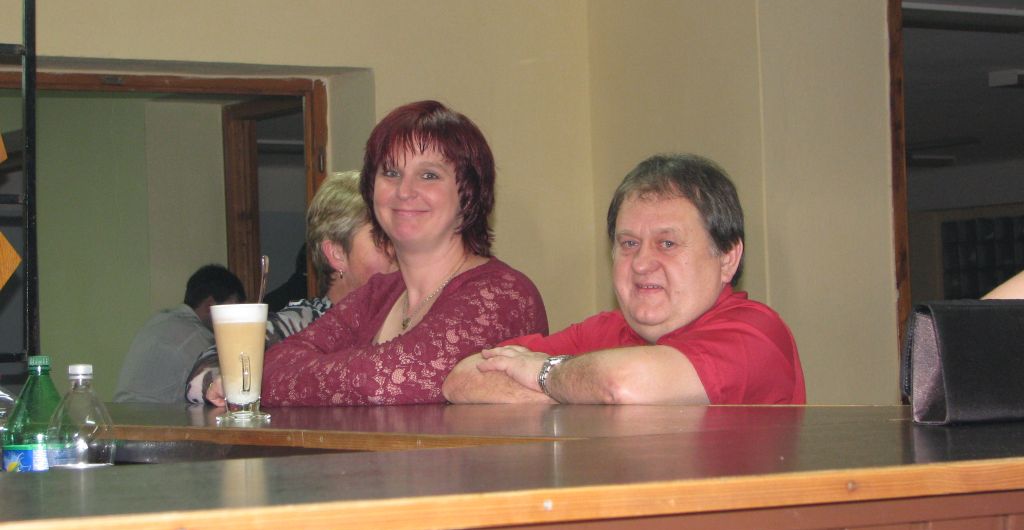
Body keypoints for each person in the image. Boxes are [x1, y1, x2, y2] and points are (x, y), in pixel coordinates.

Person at [443, 153, 805, 405]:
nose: (642, 263)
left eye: (667, 243)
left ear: (727, 258)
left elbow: (623, 384)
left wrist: (545, 373)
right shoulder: (605, 331)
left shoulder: (756, 334)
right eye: (629, 243)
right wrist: (580, 386)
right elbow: (463, 379)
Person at [256, 99, 548, 406]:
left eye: (429, 175)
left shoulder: (504, 294)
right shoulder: (379, 293)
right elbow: (270, 368)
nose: (404, 191)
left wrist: (325, 370)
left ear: (469, 195)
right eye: (391, 172)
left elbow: (384, 381)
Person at [187, 170, 395, 404]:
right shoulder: (303, 322)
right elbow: (205, 369)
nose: (398, 247)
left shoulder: (407, 316)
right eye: (382, 237)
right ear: (337, 253)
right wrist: (225, 381)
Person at [115, 264, 246, 403]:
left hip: (122, 411)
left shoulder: (159, 321)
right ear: (210, 306)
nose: (238, 319)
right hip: (152, 415)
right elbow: (230, 385)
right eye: (233, 309)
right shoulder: (197, 337)